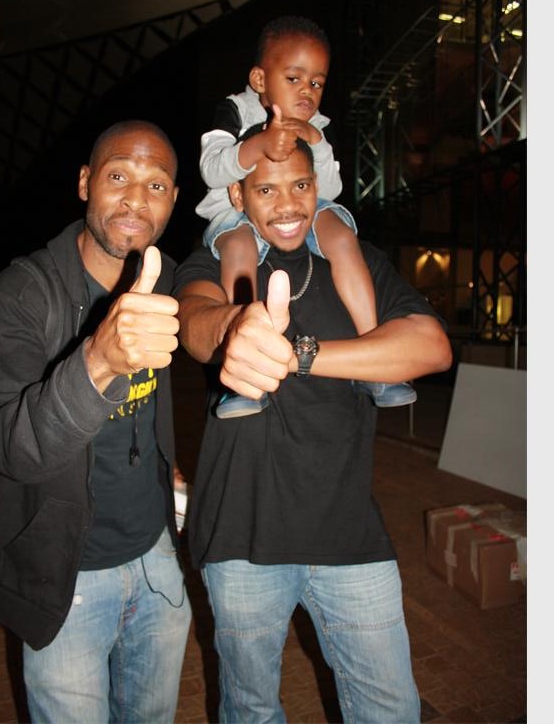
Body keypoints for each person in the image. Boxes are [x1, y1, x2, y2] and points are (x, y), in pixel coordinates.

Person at [174, 137, 453, 723]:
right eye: (266, 189)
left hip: (350, 533)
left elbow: (430, 346)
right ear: (238, 196)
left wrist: (299, 355)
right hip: (241, 538)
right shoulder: (214, 259)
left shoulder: (356, 261)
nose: (287, 205)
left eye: (300, 185)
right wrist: (234, 331)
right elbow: (195, 322)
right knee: (251, 711)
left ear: (317, 187)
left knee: (391, 710)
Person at [0, 120, 192, 723]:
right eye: (118, 176)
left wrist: (164, 468)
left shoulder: (169, 279)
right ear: (85, 183)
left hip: (156, 558)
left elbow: (153, 403)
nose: (136, 200)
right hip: (67, 580)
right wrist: (99, 360)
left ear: (173, 200)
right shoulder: (20, 295)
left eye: (155, 185)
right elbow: (9, 447)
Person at [196, 14, 416, 418]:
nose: (307, 92)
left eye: (317, 83)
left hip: (302, 207)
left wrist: (318, 143)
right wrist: (259, 144)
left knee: (342, 235)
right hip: (237, 209)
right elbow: (211, 169)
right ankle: (243, 369)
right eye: (294, 78)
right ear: (260, 80)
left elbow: (328, 190)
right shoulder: (236, 110)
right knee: (239, 249)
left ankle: (374, 354)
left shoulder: (315, 124)